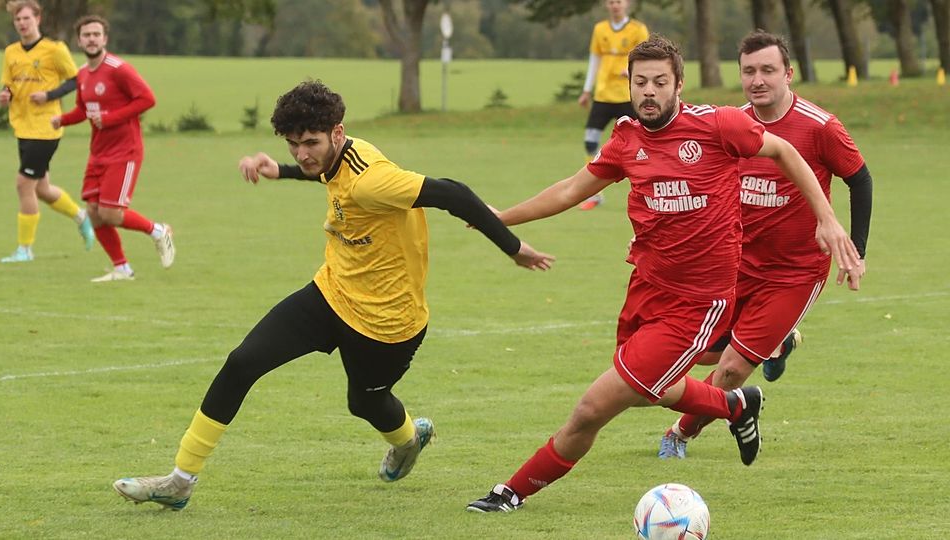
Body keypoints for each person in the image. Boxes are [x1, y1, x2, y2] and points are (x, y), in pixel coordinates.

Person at [111, 80, 556, 510]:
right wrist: (280, 170)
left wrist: (514, 249)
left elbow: (452, 193)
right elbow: (327, 173)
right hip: (331, 292)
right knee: (241, 362)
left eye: (310, 143)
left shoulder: (373, 180)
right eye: (292, 144)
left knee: (364, 402)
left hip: (388, 321)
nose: (302, 152)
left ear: (337, 133)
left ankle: (407, 440)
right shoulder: (336, 156)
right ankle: (179, 482)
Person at [466, 35, 860, 513]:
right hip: (646, 288)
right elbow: (572, 188)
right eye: (639, 82)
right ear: (629, 86)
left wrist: (827, 217)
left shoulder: (718, 125)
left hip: (697, 303)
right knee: (645, 390)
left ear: (679, 85)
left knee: (593, 408)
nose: (648, 91)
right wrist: (500, 218)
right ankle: (737, 405)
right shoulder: (627, 136)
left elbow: (785, 153)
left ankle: (511, 492)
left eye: (659, 82)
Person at [657, 30, 871, 460]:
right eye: (749, 71)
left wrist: (856, 249)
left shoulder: (820, 127)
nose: (758, 80)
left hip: (793, 273)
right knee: (697, 356)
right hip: (734, 263)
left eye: (768, 70)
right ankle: (779, 342)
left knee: (732, 369)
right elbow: (701, 188)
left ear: (788, 74)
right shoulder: (731, 125)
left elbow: (859, 179)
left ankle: (678, 434)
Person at [51, 14, 174, 282]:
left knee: (111, 213)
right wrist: (61, 119)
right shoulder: (82, 74)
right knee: (94, 214)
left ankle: (158, 230)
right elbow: (84, 110)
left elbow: (147, 99)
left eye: (96, 34)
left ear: (104, 38)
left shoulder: (119, 69)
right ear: (79, 40)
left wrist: (110, 118)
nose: (91, 39)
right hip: (98, 152)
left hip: (125, 151)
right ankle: (122, 268)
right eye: (87, 35)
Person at [0, 0, 93, 263]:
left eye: (27, 18)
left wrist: (50, 95)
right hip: (22, 126)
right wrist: (4, 96)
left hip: (47, 127)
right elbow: (9, 87)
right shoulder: (11, 52)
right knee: (41, 188)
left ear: (37, 19)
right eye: (18, 19)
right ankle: (81, 216)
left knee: (23, 185)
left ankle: (25, 249)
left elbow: (76, 79)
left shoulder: (54, 50)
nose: (22, 23)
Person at [576, 0, 648, 210]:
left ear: (627, 4)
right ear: (606, 5)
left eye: (619, 1)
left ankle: (645, 190)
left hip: (627, 95)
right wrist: (586, 90)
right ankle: (594, 193)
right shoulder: (600, 29)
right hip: (603, 94)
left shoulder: (638, 29)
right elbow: (594, 60)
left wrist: (633, 71)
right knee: (590, 138)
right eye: (611, 2)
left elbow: (646, 57)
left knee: (641, 143)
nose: (615, 5)